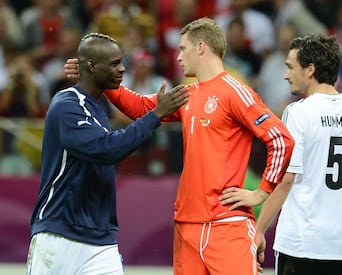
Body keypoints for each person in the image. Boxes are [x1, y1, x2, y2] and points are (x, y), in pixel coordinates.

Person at [65, 17, 294, 275]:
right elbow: (141, 107)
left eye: (183, 49)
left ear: (201, 47)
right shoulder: (188, 93)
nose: (178, 57)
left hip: (226, 224)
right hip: (187, 224)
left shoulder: (235, 91)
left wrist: (261, 193)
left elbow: (280, 139)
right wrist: (99, 81)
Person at [219, 34, 342, 275]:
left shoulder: (298, 112)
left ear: (310, 69)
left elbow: (287, 179)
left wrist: (258, 229)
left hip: (300, 245)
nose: (286, 75)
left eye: (290, 67)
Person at [26, 32, 189, 274]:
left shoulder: (98, 106)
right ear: (92, 65)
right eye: (114, 63)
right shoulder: (66, 104)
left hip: (101, 241)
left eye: (121, 62)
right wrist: (155, 116)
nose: (123, 69)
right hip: (59, 232)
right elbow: (105, 149)